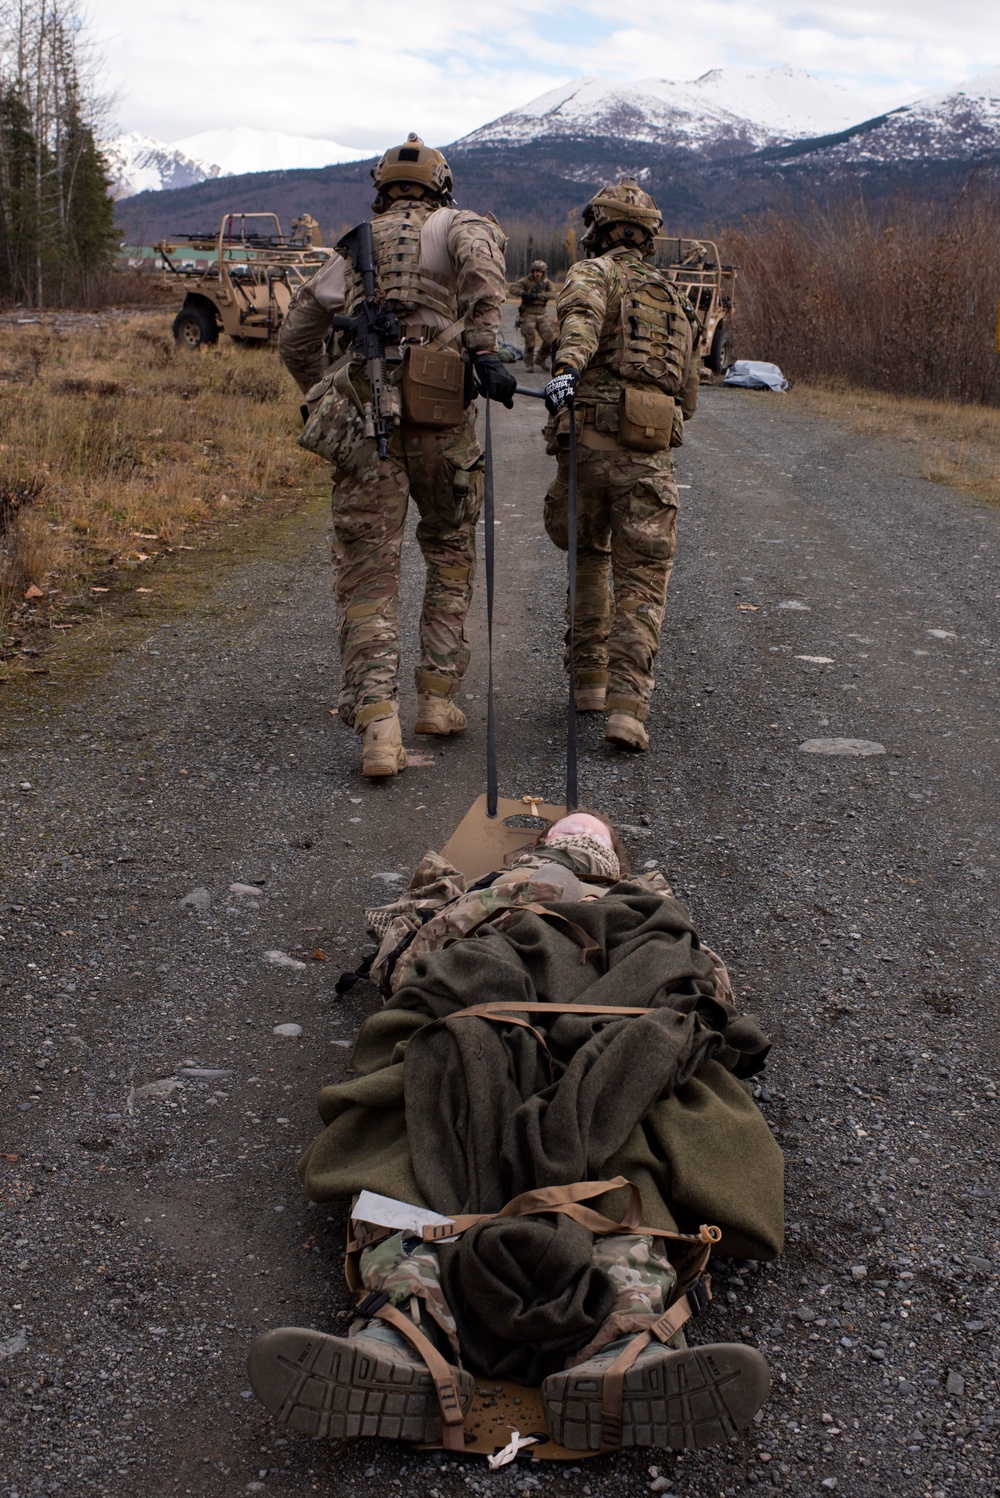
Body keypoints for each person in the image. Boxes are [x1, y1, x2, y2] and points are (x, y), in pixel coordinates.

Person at [247, 811, 782, 1454]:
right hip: (619, 1028)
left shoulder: (486, 895)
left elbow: (409, 965)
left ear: (544, 851)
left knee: (434, 1126)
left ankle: (402, 1330)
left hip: (489, 1009)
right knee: (631, 1139)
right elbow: (705, 987)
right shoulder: (649, 906)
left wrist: (447, 909)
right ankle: (627, 1338)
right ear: (610, 863)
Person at [278, 134, 516, 779]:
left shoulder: (353, 248)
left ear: (382, 188)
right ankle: (437, 701)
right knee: (450, 551)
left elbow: (295, 335)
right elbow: (485, 278)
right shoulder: (461, 225)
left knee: (367, 573)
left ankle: (378, 725)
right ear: (441, 185)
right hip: (443, 418)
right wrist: (485, 350)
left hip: (363, 419)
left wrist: (329, 393)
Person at [542, 178, 700, 753]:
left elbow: (579, 319)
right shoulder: (677, 301)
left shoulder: (595, 272)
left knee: (588, 560)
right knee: (642, 582)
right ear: (649, 236)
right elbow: (688, 395)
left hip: (588, 445)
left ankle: (588, 682)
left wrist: (568, 368)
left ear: (598, 230)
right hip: (648, 452)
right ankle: (627, 710)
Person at [508, 258, 556, 372]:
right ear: (532, 271)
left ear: (543, 273)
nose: (538, 274)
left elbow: (553, 294)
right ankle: (529, 364)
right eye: (536, 271)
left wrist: (539, 296)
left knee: (550, 339)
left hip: (541, 314)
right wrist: (524, 293)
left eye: (540, 272)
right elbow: (512, 289)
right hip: (528, 313)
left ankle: (540, 359)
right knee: (530, 342)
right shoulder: (526, 281)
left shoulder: (547, 283)